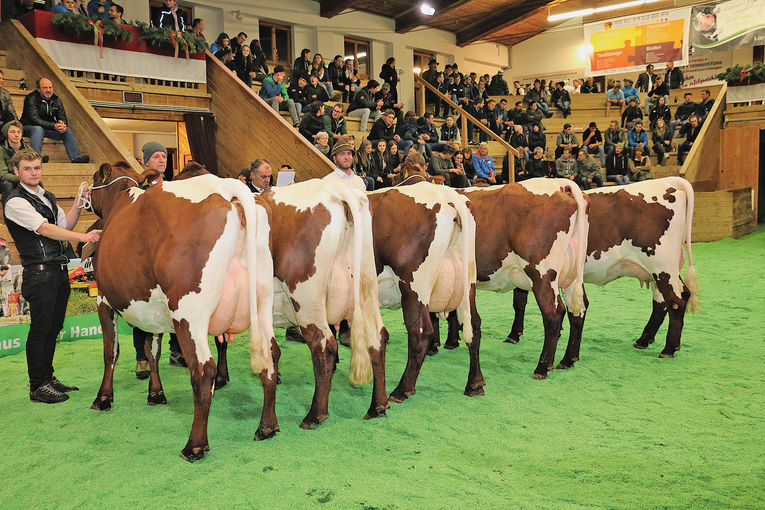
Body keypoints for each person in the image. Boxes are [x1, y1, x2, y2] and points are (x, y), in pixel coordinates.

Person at [3, 148, 101, 403]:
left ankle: (47, 377)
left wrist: (79, 203)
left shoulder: (48, 196)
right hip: (39, 275)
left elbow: (63, 226)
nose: (33, 172)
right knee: (40, 330)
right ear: (16, 171)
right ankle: (37, 386)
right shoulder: (15, 202)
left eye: (36, 168)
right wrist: (84, 237)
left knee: (53, 328)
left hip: (58, 272)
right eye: (27, 168)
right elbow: (45, 229)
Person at [131, 142, 184, 377]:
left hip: (173, 255)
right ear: (145, 162)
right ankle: (141, 358)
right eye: (156, 157)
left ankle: (176, 351)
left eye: (164, 156)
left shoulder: (175, 187)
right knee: (144, 307)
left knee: (176, 304)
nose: (162, 160)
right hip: (146, 256)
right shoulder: (138, 189)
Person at [20, 78, 89, 164]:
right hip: (28, 127)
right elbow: (34, 120)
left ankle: (75, 158)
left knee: (67, 130)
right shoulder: (30, 98)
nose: (48, 90)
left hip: (47, 128)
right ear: (38, 89)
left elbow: (63, 117)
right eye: (45, 88)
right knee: (38, 129)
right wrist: (54, 126)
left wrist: (62, 124)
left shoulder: (56, 100)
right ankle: (35, 158)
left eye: (50, 87)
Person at [1, 120, 31, 200]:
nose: (16, 135)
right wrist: (22, 179)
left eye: (19, 132)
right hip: (4, 180)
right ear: (6, 133)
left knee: (38, 184)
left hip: (22, 178)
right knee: (8, 185)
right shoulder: (1, 149)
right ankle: (7, 212)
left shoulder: (28, 150)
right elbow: (3, 175)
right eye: (12, 132)